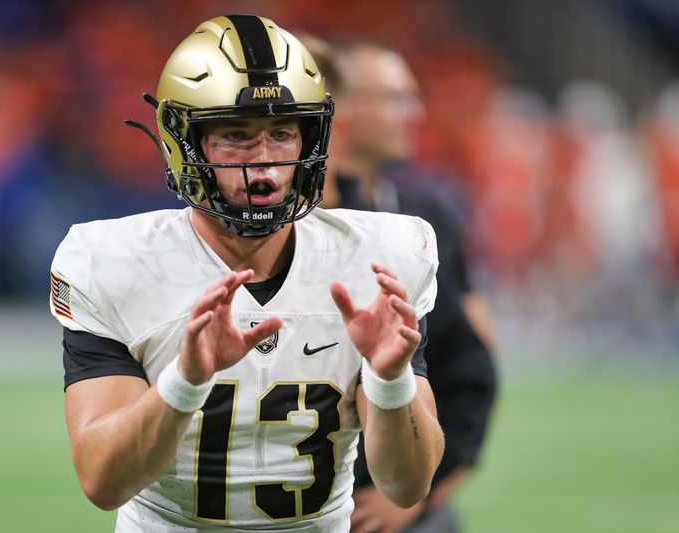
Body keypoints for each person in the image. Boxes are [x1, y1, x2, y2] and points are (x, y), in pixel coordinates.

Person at [49, 15, 444, 532]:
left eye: (282, 134)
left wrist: (391, 380)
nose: (263, 165)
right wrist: (184, 383)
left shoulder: (384, 255)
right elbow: (103, 482)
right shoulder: (111, 260)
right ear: (184, 142)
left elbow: (407, 487)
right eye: (235, 136)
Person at [308, 38, 498, 533]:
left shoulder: (422, 220)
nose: (414, 112)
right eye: (393, 98)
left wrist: (421, 496)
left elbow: (472, 359)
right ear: (340, 110)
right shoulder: (261, 231)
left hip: (388, 497)